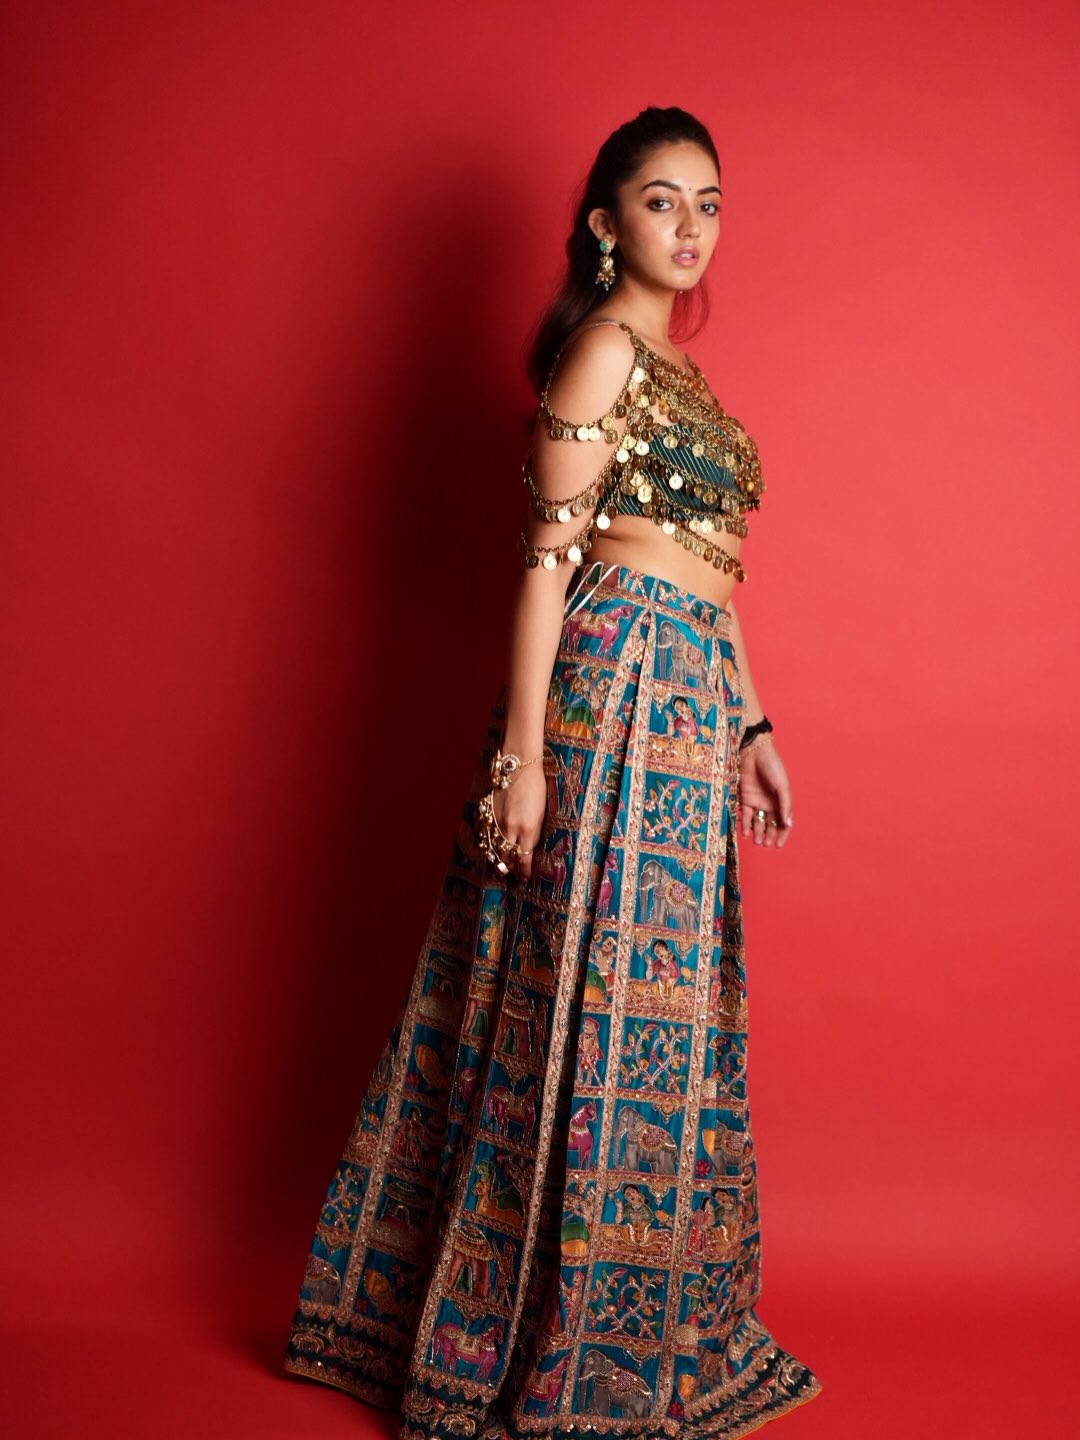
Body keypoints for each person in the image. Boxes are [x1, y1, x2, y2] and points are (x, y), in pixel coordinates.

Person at [283, 105, 823, 1439]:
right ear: (604, 225)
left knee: (660, 1003)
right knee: (573, 993)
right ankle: (523, 1343)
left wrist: (753, 725)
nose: (690, 227)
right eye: (661, 200)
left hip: (692, 699)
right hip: (613, 690)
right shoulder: (599, 354)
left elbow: (713, 572)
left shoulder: (684, 377)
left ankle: (635, 1331)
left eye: (708, 202)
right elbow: (547, 571)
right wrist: (520, 765)